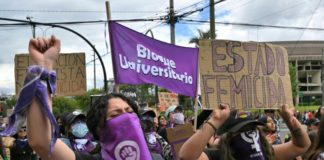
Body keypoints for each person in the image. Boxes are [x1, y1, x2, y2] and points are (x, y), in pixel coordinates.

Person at [1, 36, 152, 160]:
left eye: (129, 111)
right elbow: (41, 141)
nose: (126, 117)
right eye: (115, 115)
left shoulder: (158, 157)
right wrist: (43, 66)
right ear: (98, 129)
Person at [178, 104, 311, 160]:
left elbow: (301, 145)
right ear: (228, 136)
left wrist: (291, 121)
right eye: (241, 131)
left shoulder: (263, 153)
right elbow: (186, 157)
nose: (250, 135)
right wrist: (215, 121)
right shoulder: (218, 156)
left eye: (252, 128)